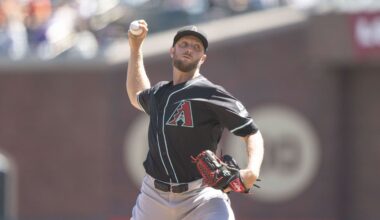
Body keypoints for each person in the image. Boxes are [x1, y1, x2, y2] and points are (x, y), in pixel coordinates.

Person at [126, 20, 264, 220]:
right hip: (153, 195)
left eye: (196, 47)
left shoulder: (210, 93)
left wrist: (252, 171)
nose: (189, 49)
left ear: (203, 58)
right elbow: (137, 94)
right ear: (172, 51)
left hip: (201, 195)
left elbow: (251, 132)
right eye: (183, 44)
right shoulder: (158, 93)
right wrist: (135, 47)